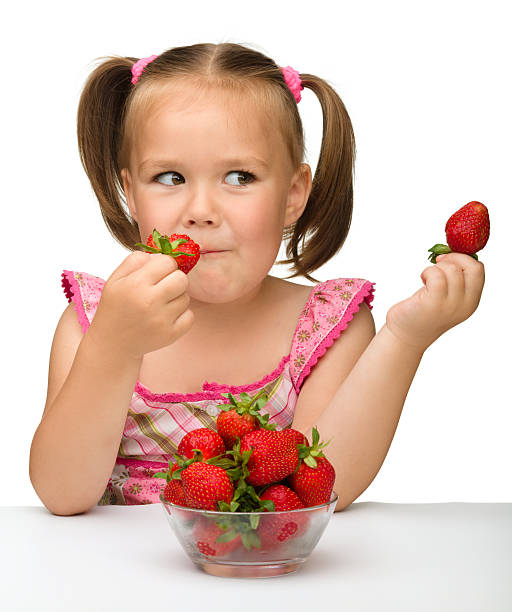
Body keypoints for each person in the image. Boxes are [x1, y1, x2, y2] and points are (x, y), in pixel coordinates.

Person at [29, 42, 485, 516]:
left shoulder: (327, 327)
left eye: (240, 177)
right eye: (169, 177)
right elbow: (62, 495)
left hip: (263, 581)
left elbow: (324, 488)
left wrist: (406, 339)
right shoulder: (92, 319)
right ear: (130, 193)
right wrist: (112, 346)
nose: (201, 212)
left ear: (293, 195)